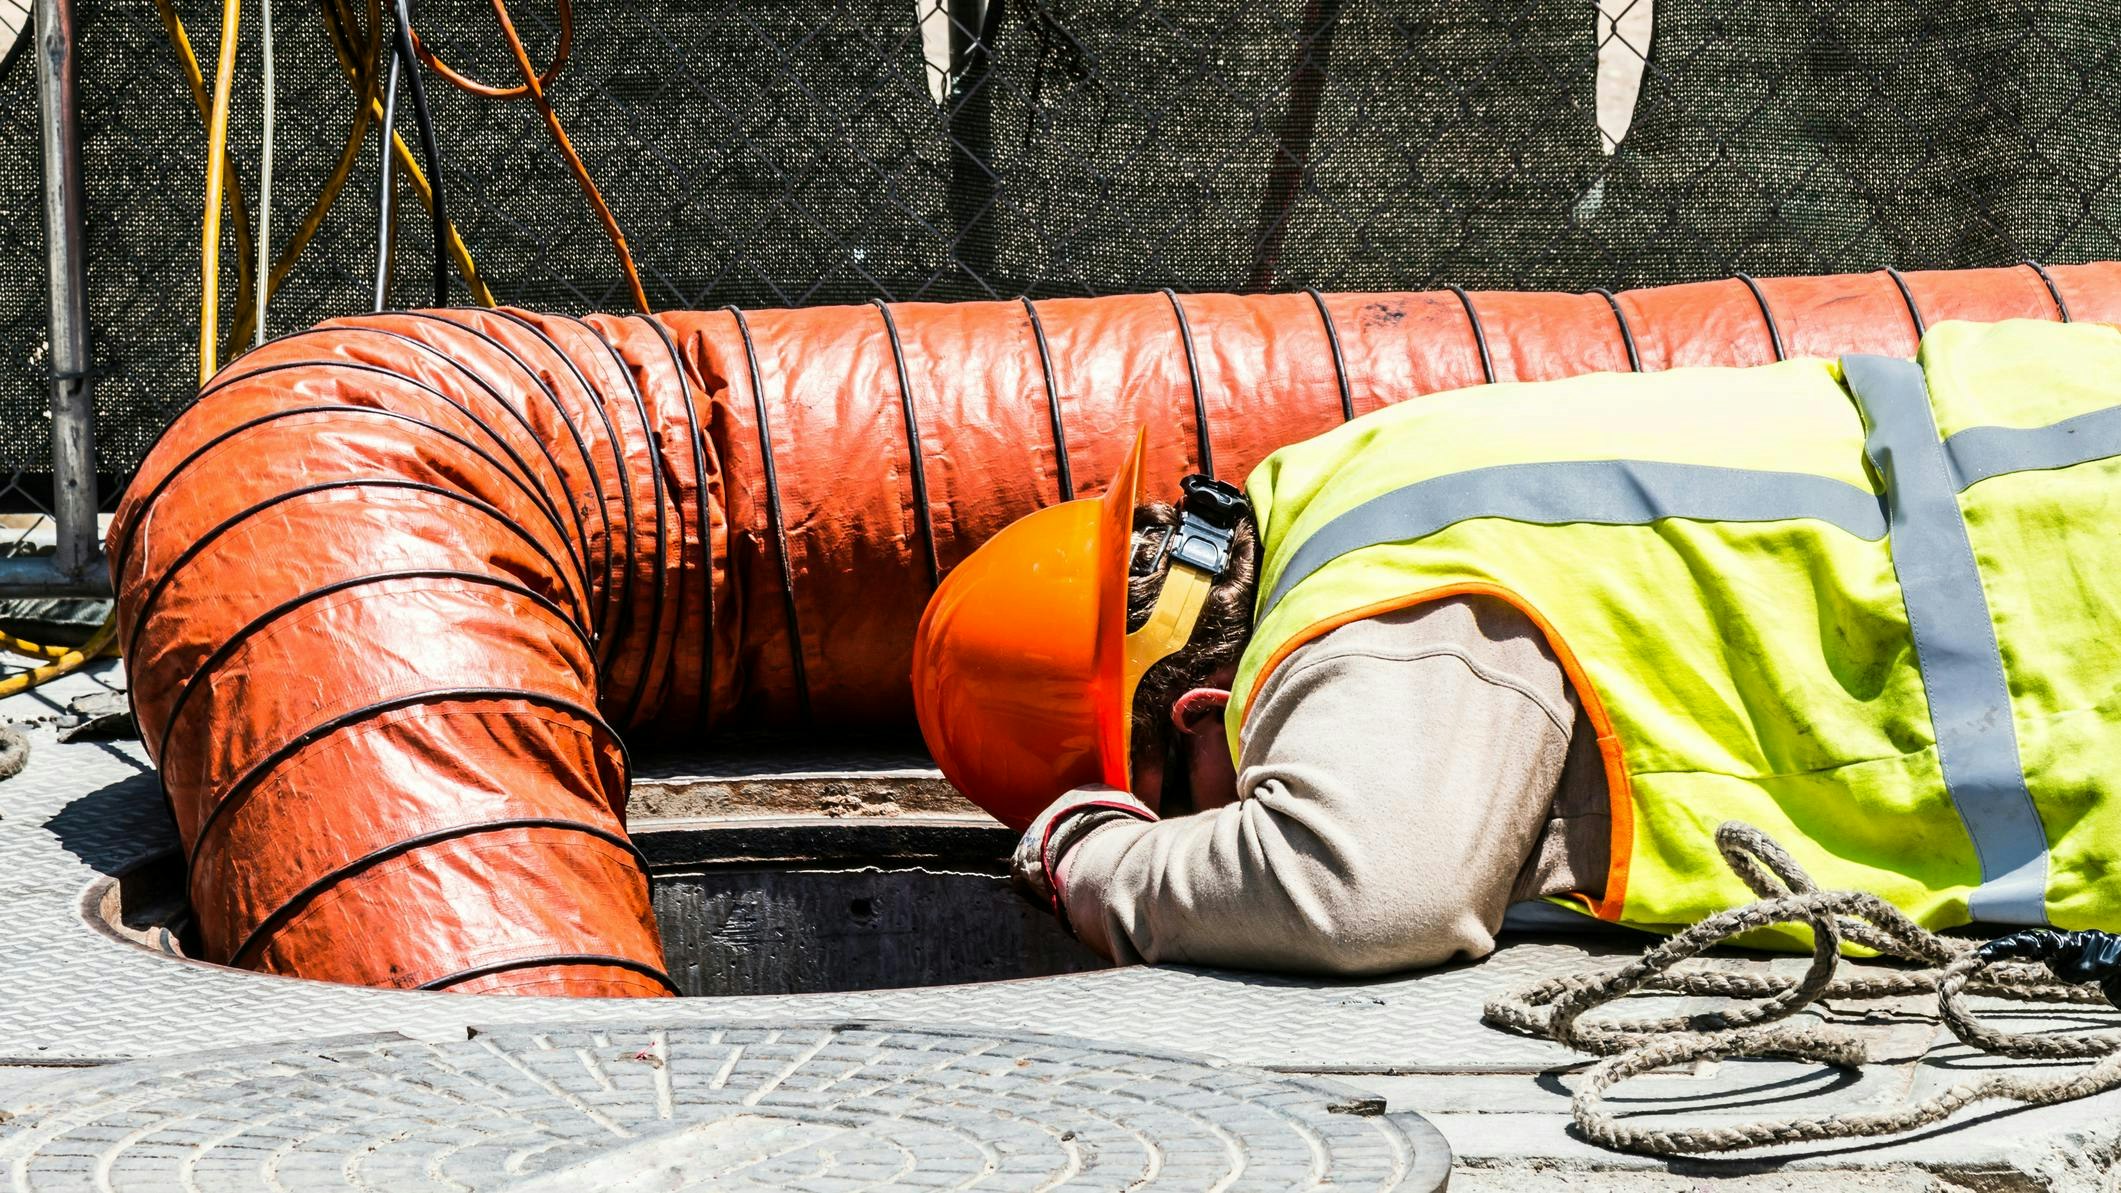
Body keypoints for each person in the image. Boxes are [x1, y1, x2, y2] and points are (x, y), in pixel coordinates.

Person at [911, 318, 2121, 975]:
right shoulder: (1359, 483)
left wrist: (1098, 858)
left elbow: (1368, 890)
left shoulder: (1362, 618)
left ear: (1195, 719)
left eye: (1173, 810)